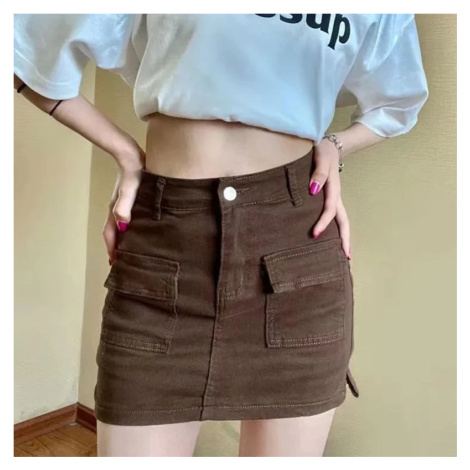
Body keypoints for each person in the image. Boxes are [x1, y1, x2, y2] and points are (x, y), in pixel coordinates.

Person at [13, 13, 429, 457]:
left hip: (295, 256)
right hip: (165, 248)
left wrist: (335, 145)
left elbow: (398, 101)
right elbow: (21, 45)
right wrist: (125, 152)